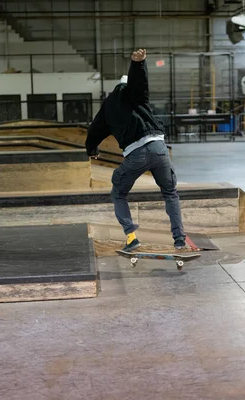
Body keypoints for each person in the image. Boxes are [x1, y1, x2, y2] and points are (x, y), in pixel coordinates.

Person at [85, 48, 186, 252]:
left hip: (136, 154)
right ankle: (179, 240)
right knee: (170, 193)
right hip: (159, 150)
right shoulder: (135, 95)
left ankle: (131, 237)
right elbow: (140, 85)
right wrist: (138, 64)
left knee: (119, 193)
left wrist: (92, 149)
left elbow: (95, 130)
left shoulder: (107, 107)